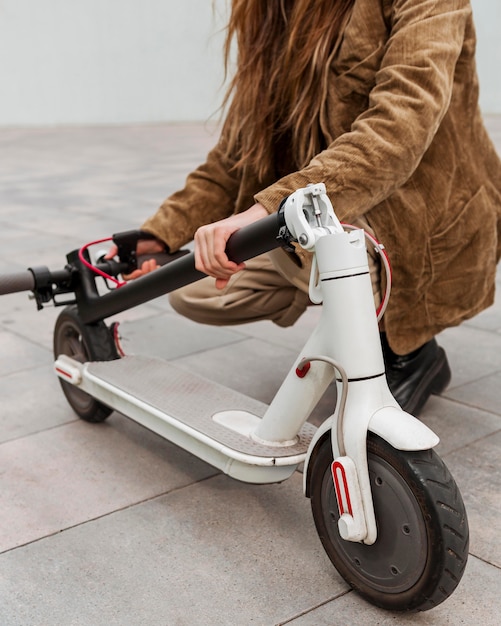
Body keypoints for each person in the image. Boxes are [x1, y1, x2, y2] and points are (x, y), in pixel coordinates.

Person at [110, 0, 501, 415]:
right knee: (192, 287)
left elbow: (401, 123)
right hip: (330, 202)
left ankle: (405, 350)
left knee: (322, 244)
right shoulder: (270, 10)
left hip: (420, 212)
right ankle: (345, 308)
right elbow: (236, 155)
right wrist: (160, 233)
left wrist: (270, 209)